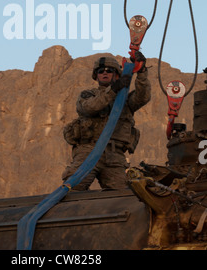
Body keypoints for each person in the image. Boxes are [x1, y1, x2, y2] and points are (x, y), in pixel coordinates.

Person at [61, 53, 151, 190]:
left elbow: (142, 97)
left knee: (125, 196)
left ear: (116, 74)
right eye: (100, 71)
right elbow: (91, 107)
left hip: (114, 155)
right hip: (89, 151)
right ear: (96, 75)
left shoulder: (124, 100)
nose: (105, 73)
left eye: (110, 70)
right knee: (73, 189)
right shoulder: (88, 95)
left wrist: (142, 72)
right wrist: (114, 89)